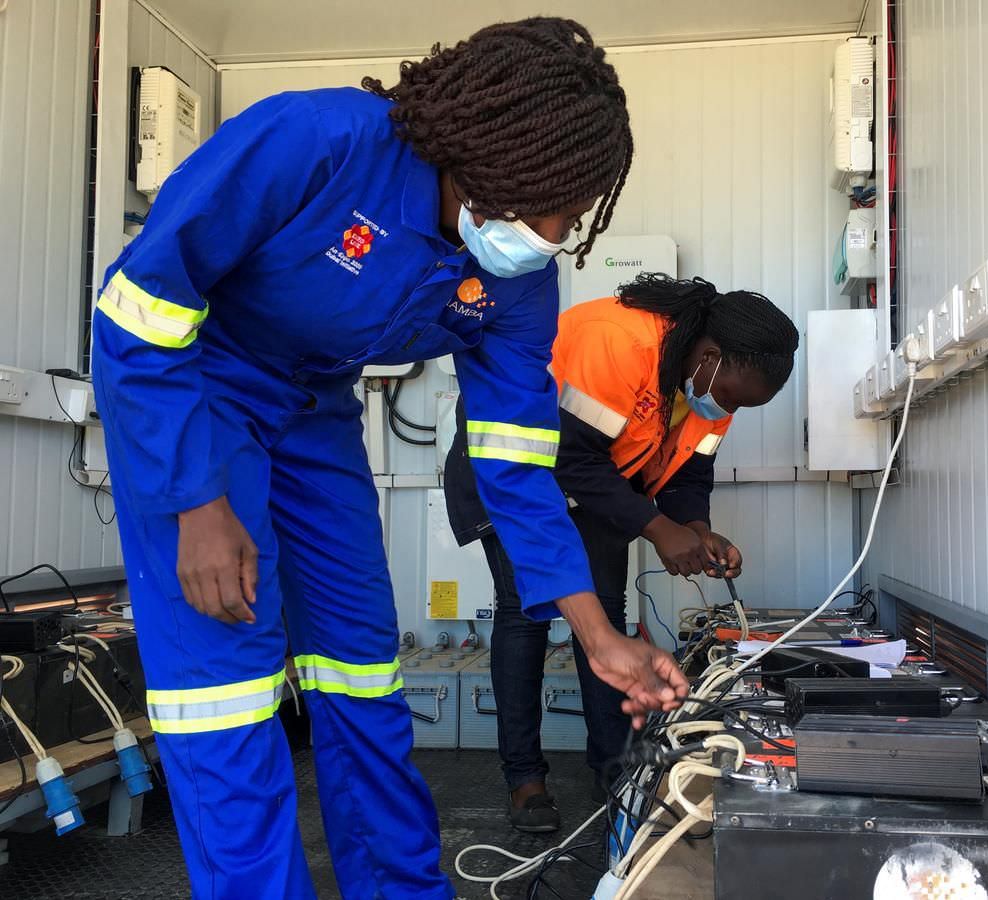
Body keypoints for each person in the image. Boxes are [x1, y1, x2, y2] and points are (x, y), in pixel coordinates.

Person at [90, 18, 687, 899]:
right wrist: (195, 502)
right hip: (197, 398)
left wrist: (597, 634)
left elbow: (516, 468)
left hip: (313, 416)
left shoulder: (518, 281)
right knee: (227, 697)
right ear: (497, 160)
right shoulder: (315, 141)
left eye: (577, 208)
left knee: (364, 675)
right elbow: (138, 309)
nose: (559, 231)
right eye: (555, 201)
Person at [445, 273, 801, 831]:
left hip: (596, 492)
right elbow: (570, 457)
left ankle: (614, 773)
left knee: (608, 615)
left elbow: (692, 468)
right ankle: (526, 781)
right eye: (731, 397)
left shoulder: (712, 385)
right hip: (513, 472)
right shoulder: (617, 342)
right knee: (525, 614)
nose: (727, 409)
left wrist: (695, 528)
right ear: (709, 357)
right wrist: (659, 529)